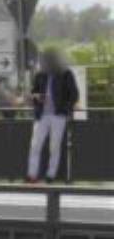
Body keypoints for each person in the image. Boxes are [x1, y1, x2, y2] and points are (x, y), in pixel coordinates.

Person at [27, 49, 80, 183]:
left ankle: (50, 175)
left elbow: (74, 95)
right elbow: (33, 92)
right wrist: (37, 97)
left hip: (58, 116)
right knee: (35, 146)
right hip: (41, 115)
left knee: (54, 147)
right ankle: (32, 175)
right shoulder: (40, 74)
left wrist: (64, 110)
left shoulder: (66, 73)